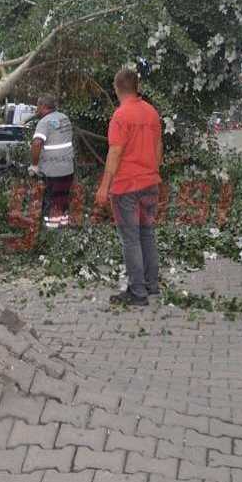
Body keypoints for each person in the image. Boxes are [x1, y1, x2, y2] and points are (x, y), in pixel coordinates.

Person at [96, 67, 162, 307]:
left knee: (131, 239)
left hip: (127, 187)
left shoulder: (121, 116)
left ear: (116, 88)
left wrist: (104, 187)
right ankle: (151, 285)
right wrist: (153, 172)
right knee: (147, 234)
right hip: (150, 183)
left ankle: (138, 292)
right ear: (137, 87)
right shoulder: (152, 112)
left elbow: (115, 153)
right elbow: (158, 147)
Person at [29, 94, 74, 229]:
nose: (37, 109)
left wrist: (34, 165)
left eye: (38, 106)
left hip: (52, 170)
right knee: (62, 199)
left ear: (43, 106)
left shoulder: (44, 122)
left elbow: (37, 143)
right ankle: (62, 228)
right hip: (68, 168)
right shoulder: (64, 118)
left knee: (51, 201)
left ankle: (51, 231)